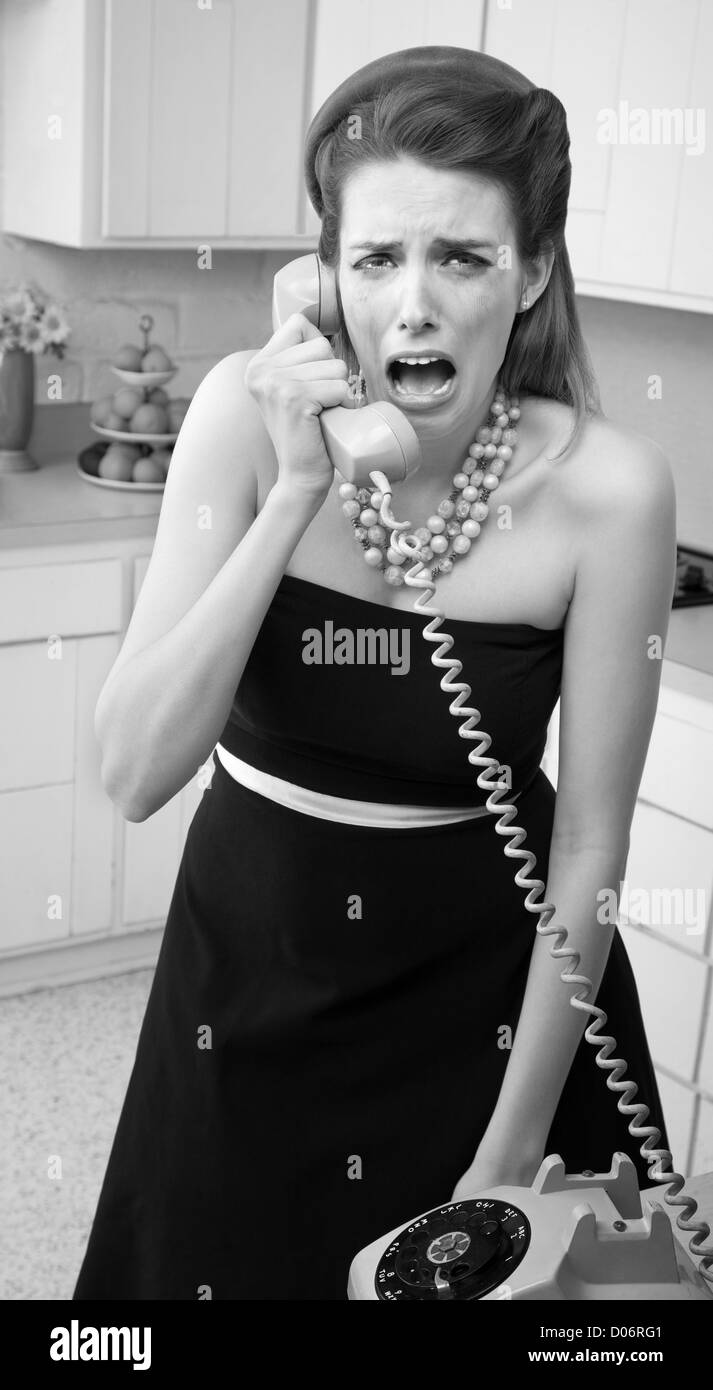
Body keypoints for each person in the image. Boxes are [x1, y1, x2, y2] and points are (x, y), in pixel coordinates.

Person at [73, 46, 675, 1301]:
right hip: (252, 966)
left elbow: (589, 855)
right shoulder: (248, 418)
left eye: (460, 257)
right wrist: (296, 489)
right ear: (324, 281)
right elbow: (131, 772)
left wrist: (502, 1164)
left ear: (531, 273)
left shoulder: (609, 493)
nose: (413, 301)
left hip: (491, 1005)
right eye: (375, 258)